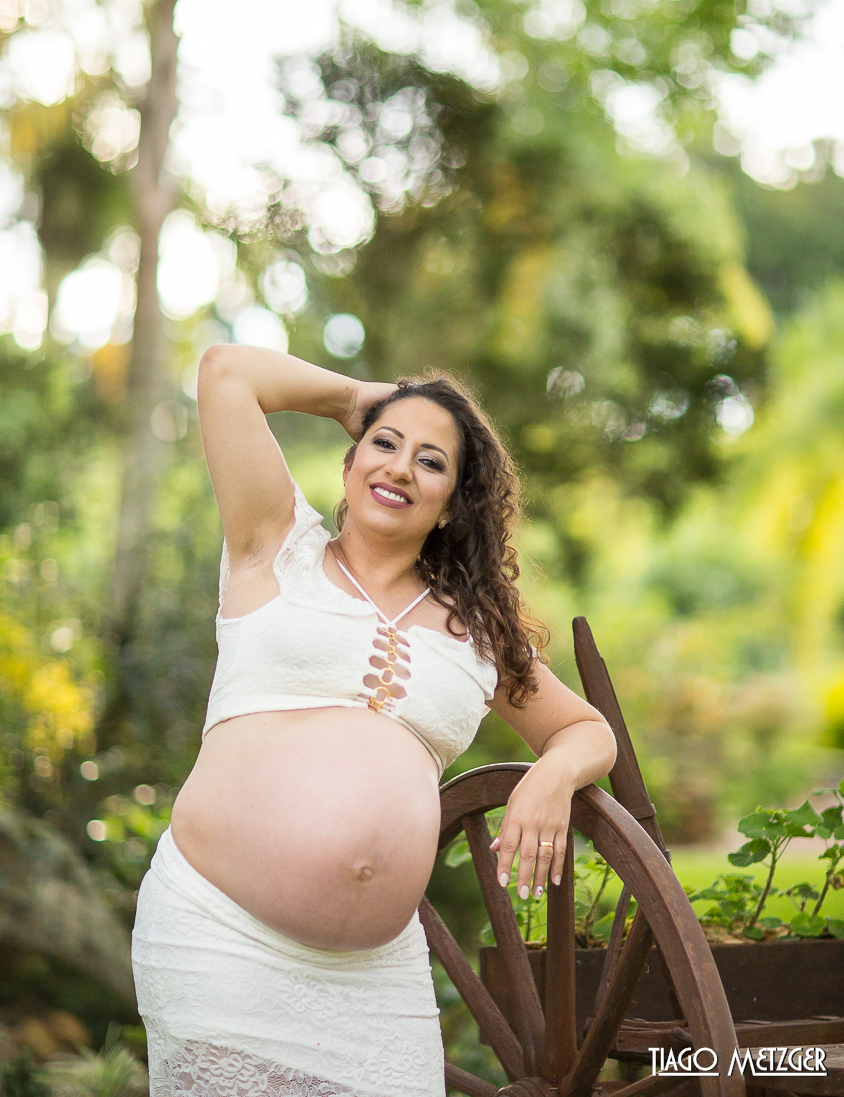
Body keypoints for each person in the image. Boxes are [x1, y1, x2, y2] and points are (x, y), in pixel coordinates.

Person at [131, 346, 617, 1097]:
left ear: (454, 502)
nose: (398, 469)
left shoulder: (479, 631)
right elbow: (227, 371)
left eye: (430, 462)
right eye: (384, 445)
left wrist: (551, 775)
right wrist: (357, 397)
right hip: (218, 937)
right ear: (351, 463)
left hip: (375, 978)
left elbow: (586, 730)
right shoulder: (273, 548)